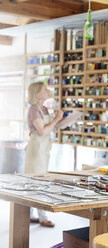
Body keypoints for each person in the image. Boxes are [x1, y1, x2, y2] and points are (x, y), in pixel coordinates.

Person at [25, 82, 63, 228]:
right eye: (45, 89)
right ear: (38, 94)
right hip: (36, 150)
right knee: (37, 183)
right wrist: (56, 120)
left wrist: (59, 121)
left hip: (43, 148)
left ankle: (31, 215)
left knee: (39, 182)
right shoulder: (34, 110)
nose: (48, 90)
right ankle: (42, 217)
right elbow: (42, 130)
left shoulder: (44, 109)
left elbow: (48, 128)